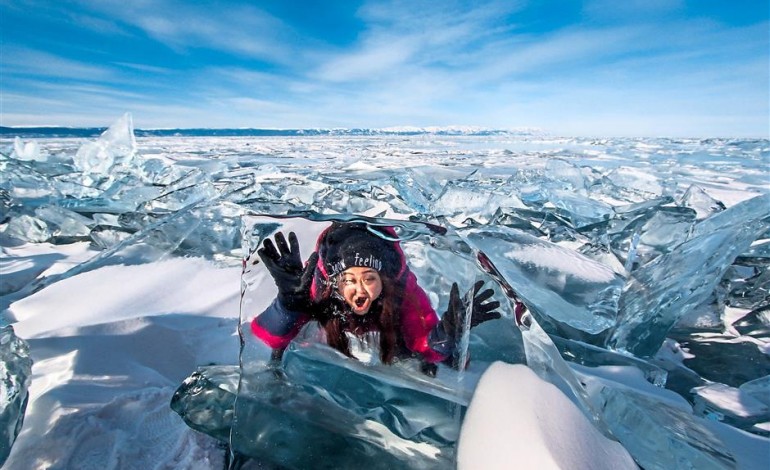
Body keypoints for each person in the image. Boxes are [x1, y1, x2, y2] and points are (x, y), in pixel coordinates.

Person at [251, 222, 501, 368]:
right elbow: (268, 337)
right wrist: (288, 304)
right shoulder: (320, 286)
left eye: (369, 278)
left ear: (384, 279)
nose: (358, 290)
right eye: (348, 280)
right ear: (336, 281)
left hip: (387, 335)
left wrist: (449, 332)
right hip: (334, 336)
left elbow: (426, 345)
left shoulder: (403, 292)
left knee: (439, 359)